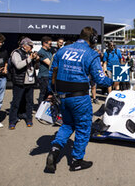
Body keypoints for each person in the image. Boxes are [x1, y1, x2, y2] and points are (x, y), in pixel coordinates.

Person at [45, 27, 112, 173]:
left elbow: (52, 74)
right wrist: (111, 81)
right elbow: (100, 79)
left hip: (62, 96)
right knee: (83, 128)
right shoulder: (91, 54)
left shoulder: (62, 51)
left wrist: (51, 92)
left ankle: (54, 151)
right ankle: (76, 161)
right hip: (79, 97)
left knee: (67, 124)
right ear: (93, 39)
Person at [8, 37, 39, 129]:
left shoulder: (30, 54)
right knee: (16, 102)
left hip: (30, 81)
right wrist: (30, 58)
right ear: (24, 45)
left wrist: (36, 60)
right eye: (30, 46)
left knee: (29, 102)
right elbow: (18, 65)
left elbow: (36, 68)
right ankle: (12, 121)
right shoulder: (16, 53)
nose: (32, 48)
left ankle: (29, 119)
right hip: (19, 82)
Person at [37, 36, 53, 105]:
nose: (51, 46)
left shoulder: (49, 52)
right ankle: (40, 109)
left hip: (49, 76)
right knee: (43, 94)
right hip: (43, 76)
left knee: (48, 94)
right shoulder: (41, 52)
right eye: (50, 44)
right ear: (44, 43)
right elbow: (50, 63)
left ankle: (45, 109)